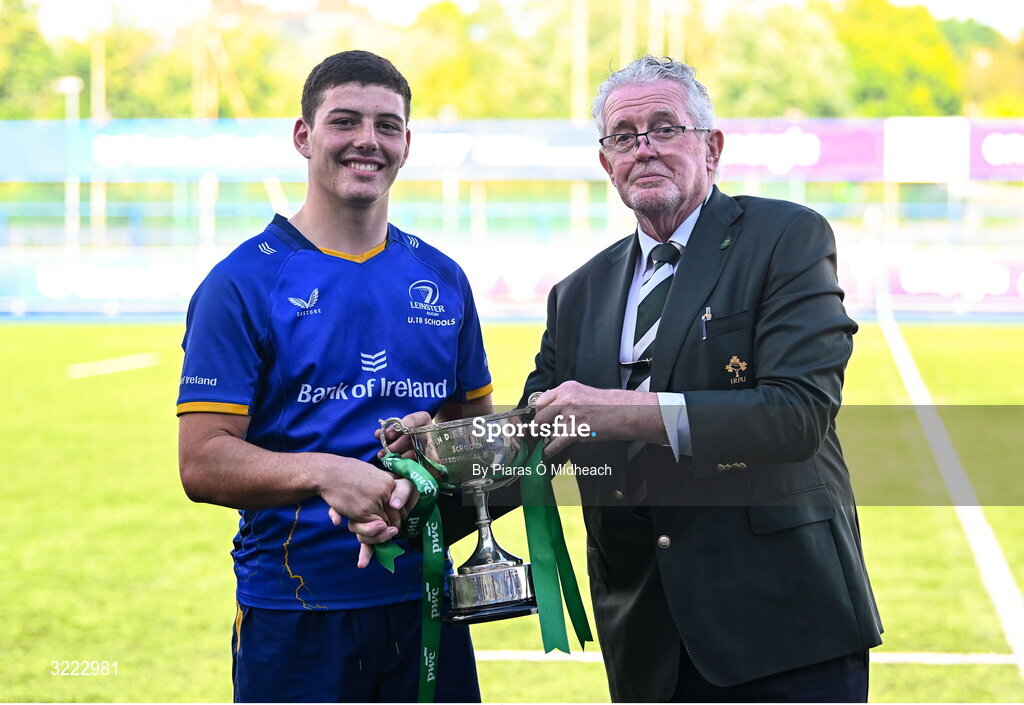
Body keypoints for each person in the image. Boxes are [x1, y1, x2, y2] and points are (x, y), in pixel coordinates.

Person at [522, 56, 883, 702]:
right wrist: (420, 470)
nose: (645, 148)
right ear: (607, 163)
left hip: (785, 631)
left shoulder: (785, 238)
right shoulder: (576, 294)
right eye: (624, 136)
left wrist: (618, 410)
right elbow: (532, 434)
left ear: (711, 147)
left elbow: (796, 414)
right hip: (647, 646)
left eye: (665, 128)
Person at [176, 50, 491, 703]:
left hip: (428, 602)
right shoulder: (241, 283)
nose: (367, 141)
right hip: (296, 612)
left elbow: (476, 438)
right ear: (304, 136)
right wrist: (328, 471)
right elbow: (201, 463)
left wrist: (434, 447)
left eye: (388, 125)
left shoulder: (444, 278)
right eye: (345, 121)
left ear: (407, 144)